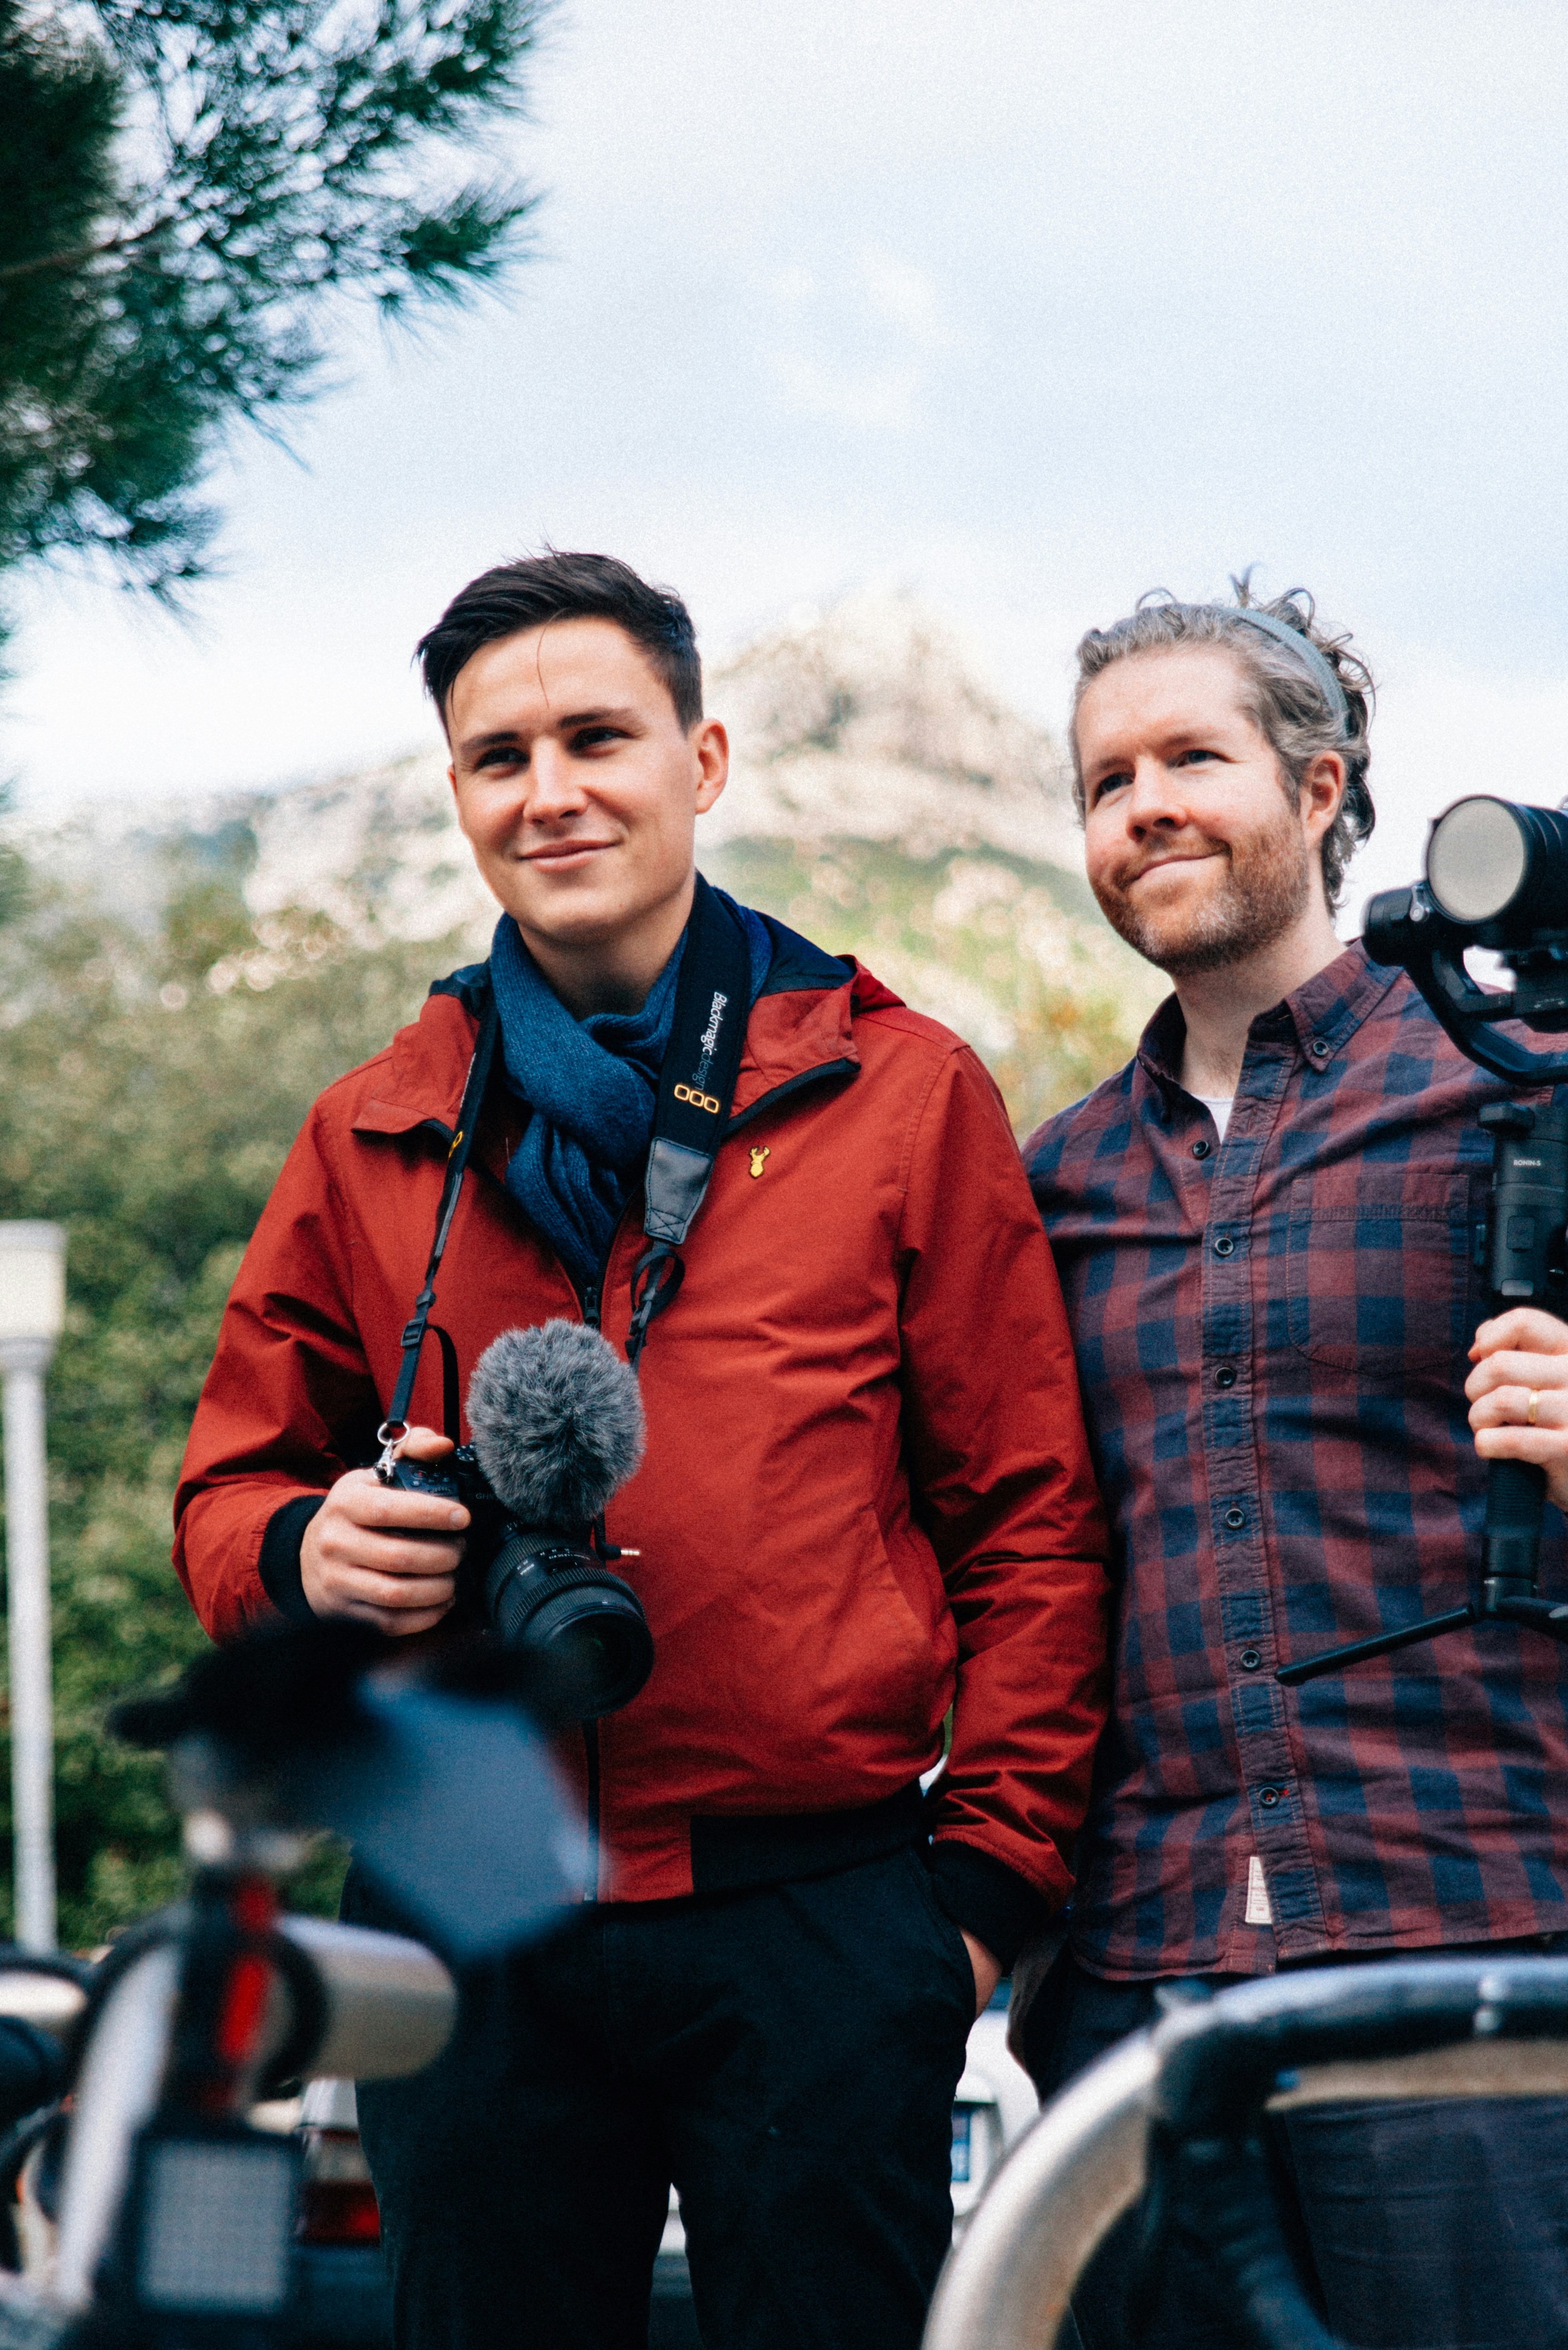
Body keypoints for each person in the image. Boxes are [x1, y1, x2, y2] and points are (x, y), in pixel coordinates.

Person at [172, 552, 1111, 2350]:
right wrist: (303, 1553)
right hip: (458, 1912)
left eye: (597, 737)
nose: (551, 792)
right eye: (499, 756)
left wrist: (980, 1897)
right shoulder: (371, 1130)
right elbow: (228, 1490)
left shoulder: (901, 1093)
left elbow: (1033, 1523)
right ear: (458, 795)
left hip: (821, 1914)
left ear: (704, 759)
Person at [1020, 585, 1568, 2350]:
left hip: (1465, 1956)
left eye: (1190, 758)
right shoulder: (1057, 1182)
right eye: (1106, 781)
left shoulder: (1537, 1081)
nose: (1144, 808)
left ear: (1318, 789)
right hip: (1143, 1982)